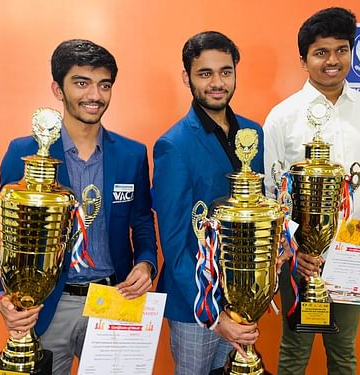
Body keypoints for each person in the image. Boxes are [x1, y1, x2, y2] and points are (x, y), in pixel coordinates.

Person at [0, 39, 158, 374]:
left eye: (104, 85)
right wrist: (0, 297)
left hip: (114, 299)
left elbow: (141, 220)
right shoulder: (24, 154)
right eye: (81, 83)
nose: (94, 95)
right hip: (51, 304)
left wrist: (146, 264)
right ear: (57, 88)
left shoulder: (132, 154)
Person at [263, 7, 360, 375]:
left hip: (354, 250)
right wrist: (292, 250)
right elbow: (273, 193)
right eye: (321, 52)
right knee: (294, 351)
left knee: (343, 352)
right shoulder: (282, 116)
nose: (332, 61)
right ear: (304, 60)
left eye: (341, 50)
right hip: (300, 260)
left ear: (352, 52)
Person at [152, 31, 264, 375]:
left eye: (225, 72)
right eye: (205, 73)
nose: (217, 82)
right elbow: (173, 244)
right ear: (187, 77)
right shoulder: (173, 145)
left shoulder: (252, 133)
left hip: (244, 298)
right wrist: (214, 316)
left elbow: (261, 209)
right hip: (195, 306)